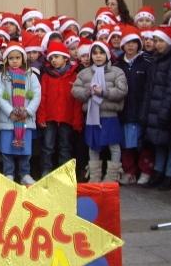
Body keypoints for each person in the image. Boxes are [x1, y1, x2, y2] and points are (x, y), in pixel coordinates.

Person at [73, 41, 128, 183]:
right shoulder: (84, 73)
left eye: (101, 53)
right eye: (95, 53)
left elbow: (122, 91)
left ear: (107, 54)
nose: (98, 56)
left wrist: (104, 92)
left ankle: (112, 176)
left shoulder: (117, 72)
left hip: (109, 115)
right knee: (93, 145)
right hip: (92, 115)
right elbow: (75, 90)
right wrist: (87, 91)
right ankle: (94, 176)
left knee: (114, 145)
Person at [0, 42, 41, 185]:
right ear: (6, 60)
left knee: (25, 149)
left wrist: (28, 111)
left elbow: (36, 95)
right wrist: (10, 112)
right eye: (11, 58)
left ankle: (24, 174)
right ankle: (8, 173)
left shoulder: (31, 76)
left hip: (25, 119)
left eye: (17, 58)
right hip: (8, 119)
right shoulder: (1, 76)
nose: (14, 61)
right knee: (7, 149)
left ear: (23, 59)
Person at [37, 39, 82, 178]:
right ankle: (46, 170)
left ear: (65, 58)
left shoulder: (73, 75)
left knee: (65, 146)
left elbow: (76, 101)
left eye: (56, 57)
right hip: (50, 117)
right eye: (51, 58)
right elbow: (42, 97)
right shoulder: (46, 76)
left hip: (66, 117)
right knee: (48, 146)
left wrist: (76, 120)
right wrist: (41, 116)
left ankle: (64, 172)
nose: (53, 60)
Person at [115, 28, 151, 184]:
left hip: (141, 107)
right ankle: (130, 171)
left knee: (143, 143)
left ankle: (145, 170)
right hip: (124, 109)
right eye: (127, 43)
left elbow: (149, 87)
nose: (130, 46)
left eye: (134, 43)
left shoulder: (146, 63)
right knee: (126, 143)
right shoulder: (118, 64)